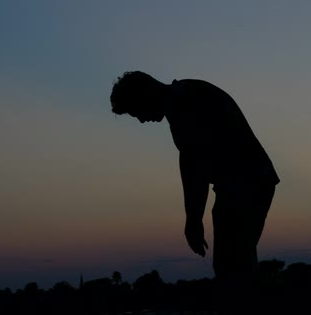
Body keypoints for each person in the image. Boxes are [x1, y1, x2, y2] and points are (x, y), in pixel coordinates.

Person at [110, 71, 280, 293]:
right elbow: (190, 163)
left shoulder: (184, 104)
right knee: (235, 265)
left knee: (233, 269)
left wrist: (193, 221)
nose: (142, 120)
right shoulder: (183, 98)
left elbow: (194, 167)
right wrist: (193, 219)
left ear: (144, 93)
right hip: (246, 182)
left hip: (244, 184)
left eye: (136, 112)